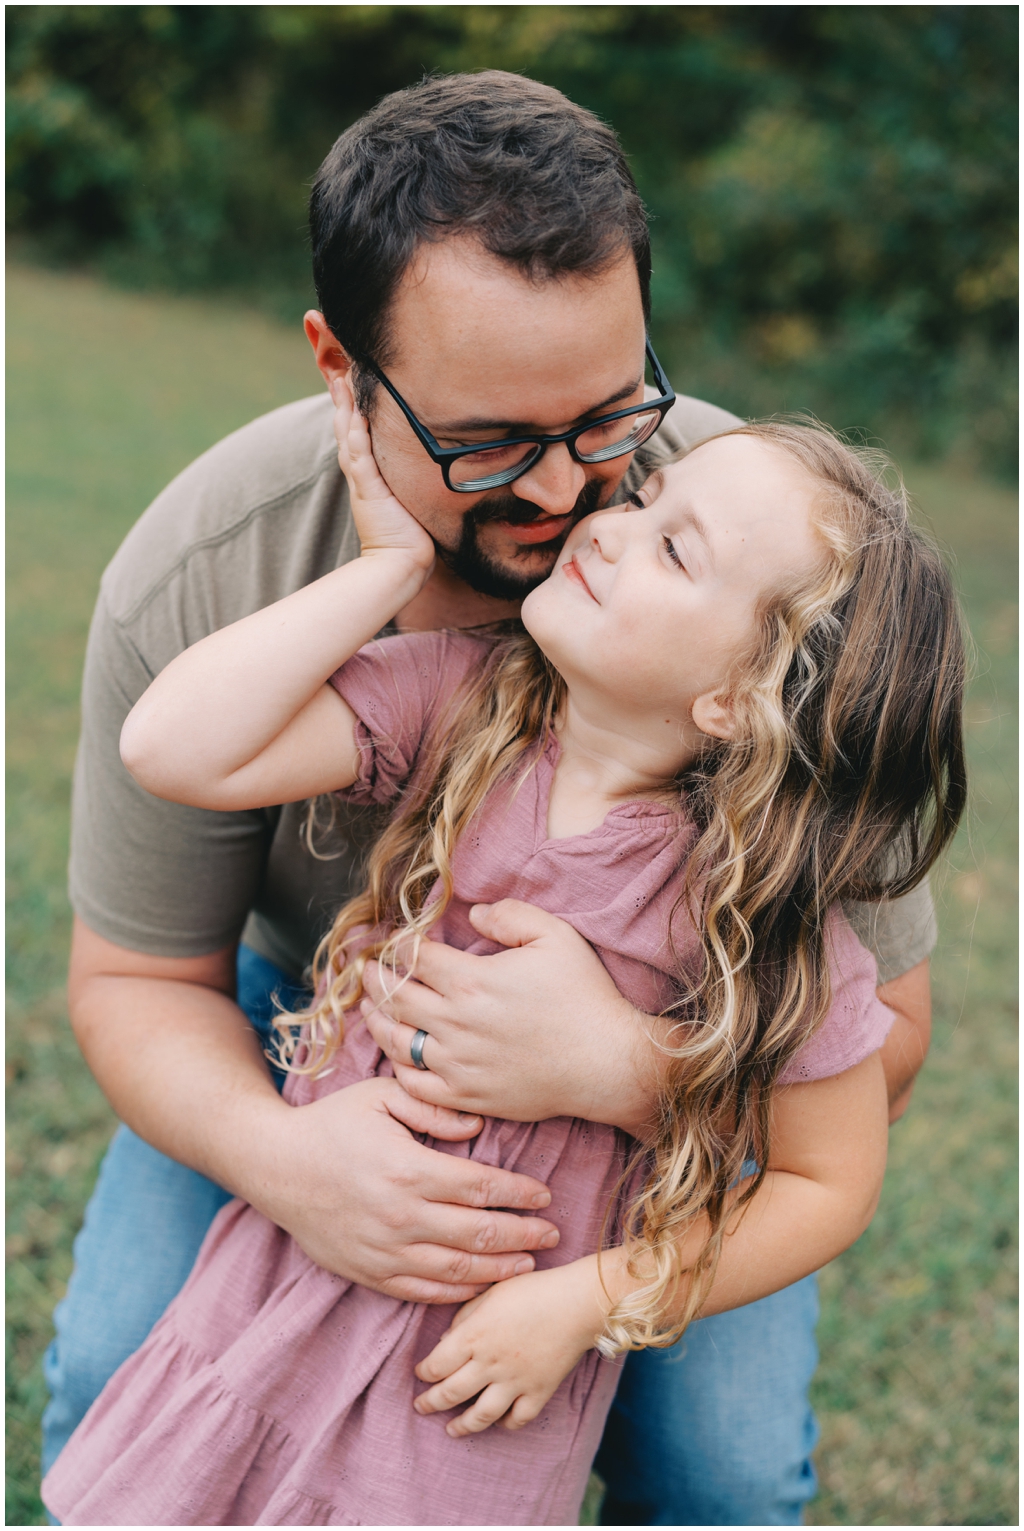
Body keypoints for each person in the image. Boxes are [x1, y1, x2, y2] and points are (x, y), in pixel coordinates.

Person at [43, 72, 940, 1525]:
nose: (584, 497)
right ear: (345, 368)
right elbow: (142, 966)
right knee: (112, 1371)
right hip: (315, 1024)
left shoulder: (790, 565)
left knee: (720, 1471)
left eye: (610, 420)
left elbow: (859, 1074)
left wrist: (622, 1073)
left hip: (679, 1123)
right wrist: (291, 1163)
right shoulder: (247, 580)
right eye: (488, 443)